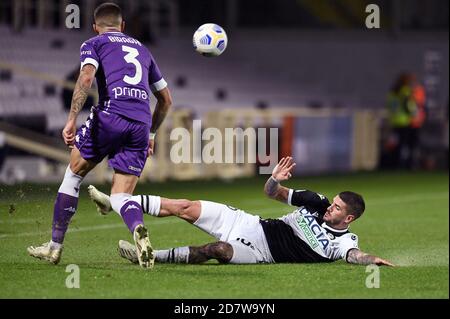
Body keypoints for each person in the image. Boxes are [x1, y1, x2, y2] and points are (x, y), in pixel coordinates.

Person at [27, 3, 172, 269]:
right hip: (140, 122)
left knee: (74, 173)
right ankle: (138, 228)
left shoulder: (93, 43)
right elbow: (165, 99)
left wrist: (71, 120)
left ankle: (54, 247)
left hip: (110, 115)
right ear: (123, 26)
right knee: (120, 196)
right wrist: (150, 133)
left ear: (95, 26)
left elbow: (85, 79)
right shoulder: (143, 49)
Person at [88, 157, 394, 266]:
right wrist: (275, 179)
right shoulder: (316, 201)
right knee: (184, 206)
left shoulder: (345, 242)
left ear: (348, 219)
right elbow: (272, 194)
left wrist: (373, 260)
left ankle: (152, 255)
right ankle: (116, 201)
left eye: (337, 208)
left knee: (217, 249)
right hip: (250, 223)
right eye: (333, 202)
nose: (330, 208)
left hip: (262, 252)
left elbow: (355, 256)